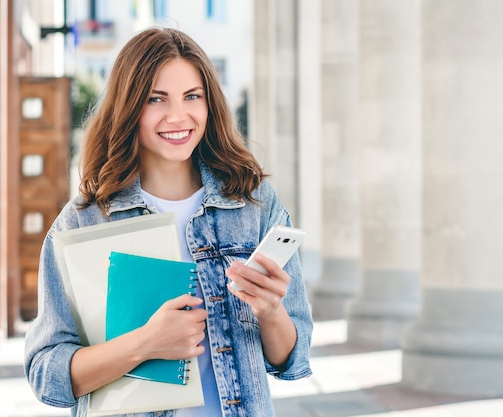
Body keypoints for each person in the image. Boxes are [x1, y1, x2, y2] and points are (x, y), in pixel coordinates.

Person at [24, 27, 313, 417]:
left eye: (192, 96)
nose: (178, 116)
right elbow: (47, 374)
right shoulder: (85, 220)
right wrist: (145, 344)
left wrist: (270, 310)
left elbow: (289, 359)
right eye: (155, 99)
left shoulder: (253, 204)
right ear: (128, 108)